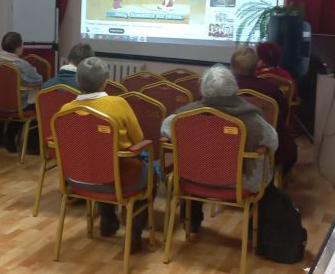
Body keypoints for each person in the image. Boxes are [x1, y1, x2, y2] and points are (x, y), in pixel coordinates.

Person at [160, 65, 278, 234]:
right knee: (268, 171)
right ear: (234, 87)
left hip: (193, 178)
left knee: (197, 161)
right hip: (239, 182)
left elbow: (165, 129)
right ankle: (256, 234)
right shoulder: (251, 118)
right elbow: (272, 141)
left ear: (203, 88)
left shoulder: (184, 116)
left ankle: (191, 222)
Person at [59, 57, 150, 252]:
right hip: (119, 181)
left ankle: (108, 220)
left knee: (97, 162)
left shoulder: (64, 111)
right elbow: (138, 139)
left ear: (78, 81)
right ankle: (133, 236)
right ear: (105, 82)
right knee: (151, 175)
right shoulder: (118, 104)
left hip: (76, 180)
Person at [232, 46, 297, 172]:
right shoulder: (271, 88)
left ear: (232, 65)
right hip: (264, 145)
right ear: (257, 65)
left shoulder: (223, 88)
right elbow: (283, 113)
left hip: (229, 144)